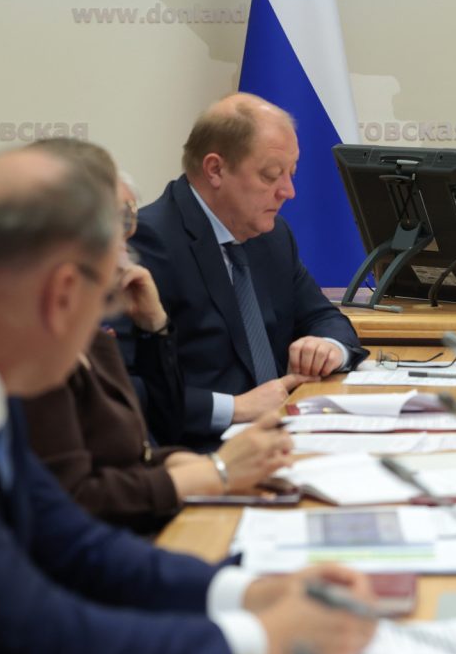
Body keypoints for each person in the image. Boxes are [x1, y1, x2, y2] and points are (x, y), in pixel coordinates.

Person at [0, 146, 376, 654]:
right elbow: (26, 620)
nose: (107, 325)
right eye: (109, 298)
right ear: (64, 295)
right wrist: (263, 636)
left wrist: (252, 591)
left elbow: (72, 544)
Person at [20, 141, 294, 533]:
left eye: (129, 220)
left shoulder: (89, 333)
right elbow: (76, 502)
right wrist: (215, 472)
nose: (126, 245)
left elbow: (152, 431)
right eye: (119, 223)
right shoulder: (27, 352)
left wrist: (154, 327)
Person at [130, 92, 367, 449]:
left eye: (291, 173)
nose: (288, 192)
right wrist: (236, 407)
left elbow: (323, 317)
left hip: (287, 433)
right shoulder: (149, 241)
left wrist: (327, 346)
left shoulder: (272, 235)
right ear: (215, 169)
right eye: (271, 175)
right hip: (200, 450)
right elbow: (128, 388)